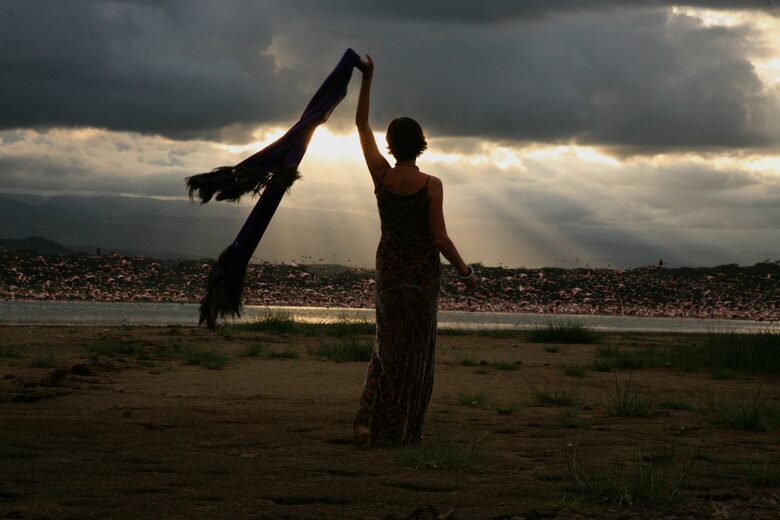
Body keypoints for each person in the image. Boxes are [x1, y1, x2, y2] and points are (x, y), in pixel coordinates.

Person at [353, 55, 477, 448]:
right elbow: (439, 239)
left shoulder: (382, 175)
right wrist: (465, 271)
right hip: (422, 276)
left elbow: (360, 125)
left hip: (389, 271)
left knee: (387, 348)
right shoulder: (431, 184)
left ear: (390, 144)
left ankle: (367, 421)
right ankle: (403, 429)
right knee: (416, 352)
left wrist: (367, 78)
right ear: (420, 144)